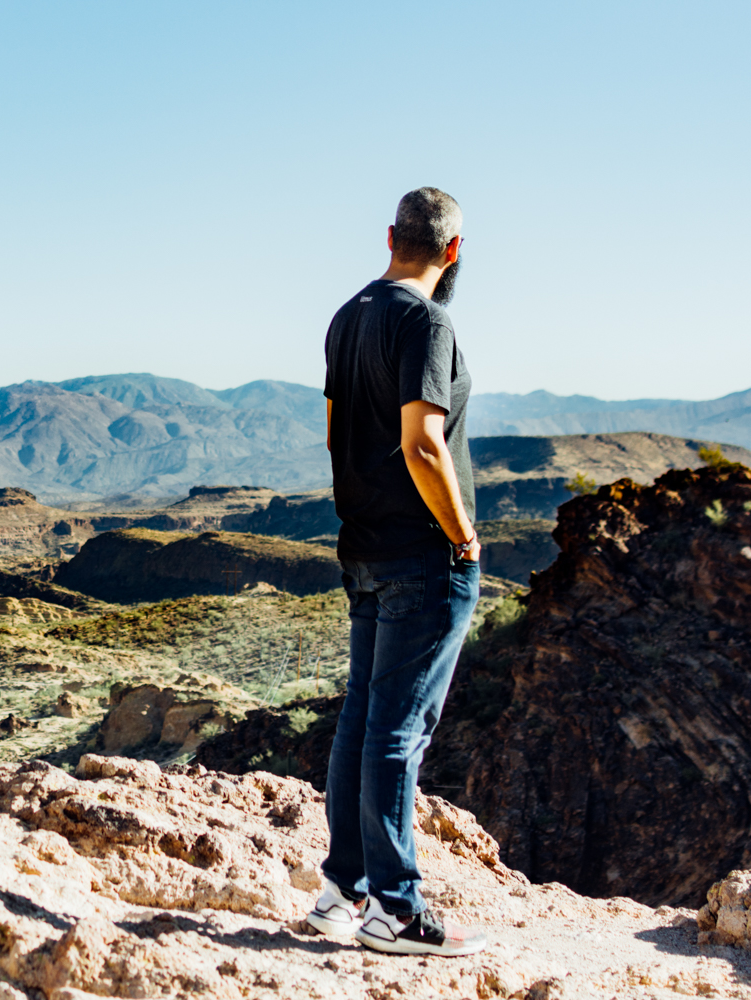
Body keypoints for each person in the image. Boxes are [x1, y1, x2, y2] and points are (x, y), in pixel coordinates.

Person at [303, 187, 486, 957]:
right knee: (397, 732)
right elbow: (422, 443)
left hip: (365, 546)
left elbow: (334, 433)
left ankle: (340, 893)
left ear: (389, 237)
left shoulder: (347, 317)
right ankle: (398, 909)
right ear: (451, 252)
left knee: (361, 721)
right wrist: (463, 534)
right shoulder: (428, 321)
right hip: (421, 551)